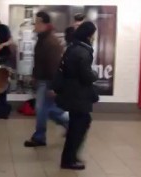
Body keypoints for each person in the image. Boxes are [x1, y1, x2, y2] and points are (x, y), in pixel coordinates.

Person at [55, 21, 99, 170]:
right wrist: (94, 75)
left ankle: (70, 157)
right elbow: (85, 75)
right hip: (79, 94)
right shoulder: (83, 51)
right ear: (89, 35)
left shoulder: (73, 47)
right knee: (80, 124)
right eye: (93, 34)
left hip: (72, 92)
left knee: (77, 124)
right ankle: (69, 159)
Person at [24, 11, 69, 147]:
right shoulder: (42, 39)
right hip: (43, 79)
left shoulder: (50, 41)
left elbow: (54, 66)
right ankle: (69, 124)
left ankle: (40, 137)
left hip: (48, 81)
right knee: (48, 109)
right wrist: (34, 75)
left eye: (37, 22)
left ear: (44, 24)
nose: (35, 25)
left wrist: (54, 86)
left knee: (42, 109)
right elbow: (39, 61)